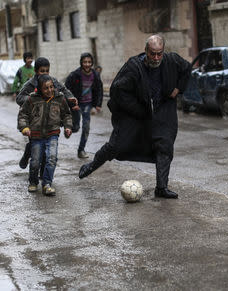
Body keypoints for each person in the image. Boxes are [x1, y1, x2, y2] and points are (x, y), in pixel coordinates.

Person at [78, 35, 191, 199]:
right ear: (146, 51)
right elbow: (118, 90)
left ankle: (161, 187)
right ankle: (92, 165)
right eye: (153, 54)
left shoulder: (172, 60)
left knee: (164, 146)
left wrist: (178, 89)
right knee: (116, 145)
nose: (156, 58)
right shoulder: (134, 66)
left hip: (163, 110)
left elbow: (187, 69)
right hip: (136, 112)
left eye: (160, 53)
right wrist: (138, 109)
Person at [16, 57, 78, 169]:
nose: (44, 73)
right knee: (35, 144)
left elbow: (64, 90)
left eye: (47, 71)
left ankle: (43, 174)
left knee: (46, 148)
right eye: (42, 71)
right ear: (36, 71)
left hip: (50, 120)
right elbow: (19, 98)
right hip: (34, 121)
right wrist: (33, 99)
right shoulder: (30, 84)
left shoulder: (52, 81)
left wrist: (71, 98)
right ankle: (27, 155)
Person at [18, 74, 72, 196]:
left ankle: (47, 183)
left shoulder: (60, 99)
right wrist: (25, 128)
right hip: (36, 136)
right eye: (46, 88)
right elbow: (23, 114)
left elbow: (67, 114)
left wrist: (68, 127)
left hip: (52, 134)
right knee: (36, 161)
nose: (49, 90)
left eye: (51, 87)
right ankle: (33, 181)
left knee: (52, 158)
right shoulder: (32, 99)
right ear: (39, 89)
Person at [65, 53, 104, 159]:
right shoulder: (75, 75)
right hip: (77, 104)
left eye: (89, 62)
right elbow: (66, 89)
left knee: (86, 127)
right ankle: (69, 129)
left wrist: (98, 105)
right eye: (85, 62)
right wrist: (72, 103)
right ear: (81, 63)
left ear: (92, 63)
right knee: (76, 127)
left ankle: (81, 150)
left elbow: (99, 89)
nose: (87, 64)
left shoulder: (95, 75)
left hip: (88, 104)